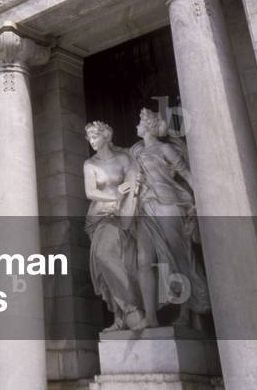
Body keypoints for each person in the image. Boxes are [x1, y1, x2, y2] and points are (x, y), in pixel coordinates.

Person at [128, 108, 211, 327]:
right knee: (145, 260)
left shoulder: (164, 149)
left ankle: (189, 312)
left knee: (179, 258)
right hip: (145, 209)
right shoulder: (136, 153)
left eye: (139, 122)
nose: (136, 126)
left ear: (148, 126)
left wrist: (201, 201)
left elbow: (186, 174)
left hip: (167, 204)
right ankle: (151, 317)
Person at [83, 121, 145, 331]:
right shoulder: (90, 164)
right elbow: (90, 192)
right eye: (89, 138)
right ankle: (124, 314)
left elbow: (136, 179)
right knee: (104, 259)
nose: (91, 141)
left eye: (95, 136)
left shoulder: (123, 159)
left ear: (106, 136)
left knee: (122, 261)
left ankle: (131, 311)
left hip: (120, 217)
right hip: (98, 217)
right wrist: (115, 195)